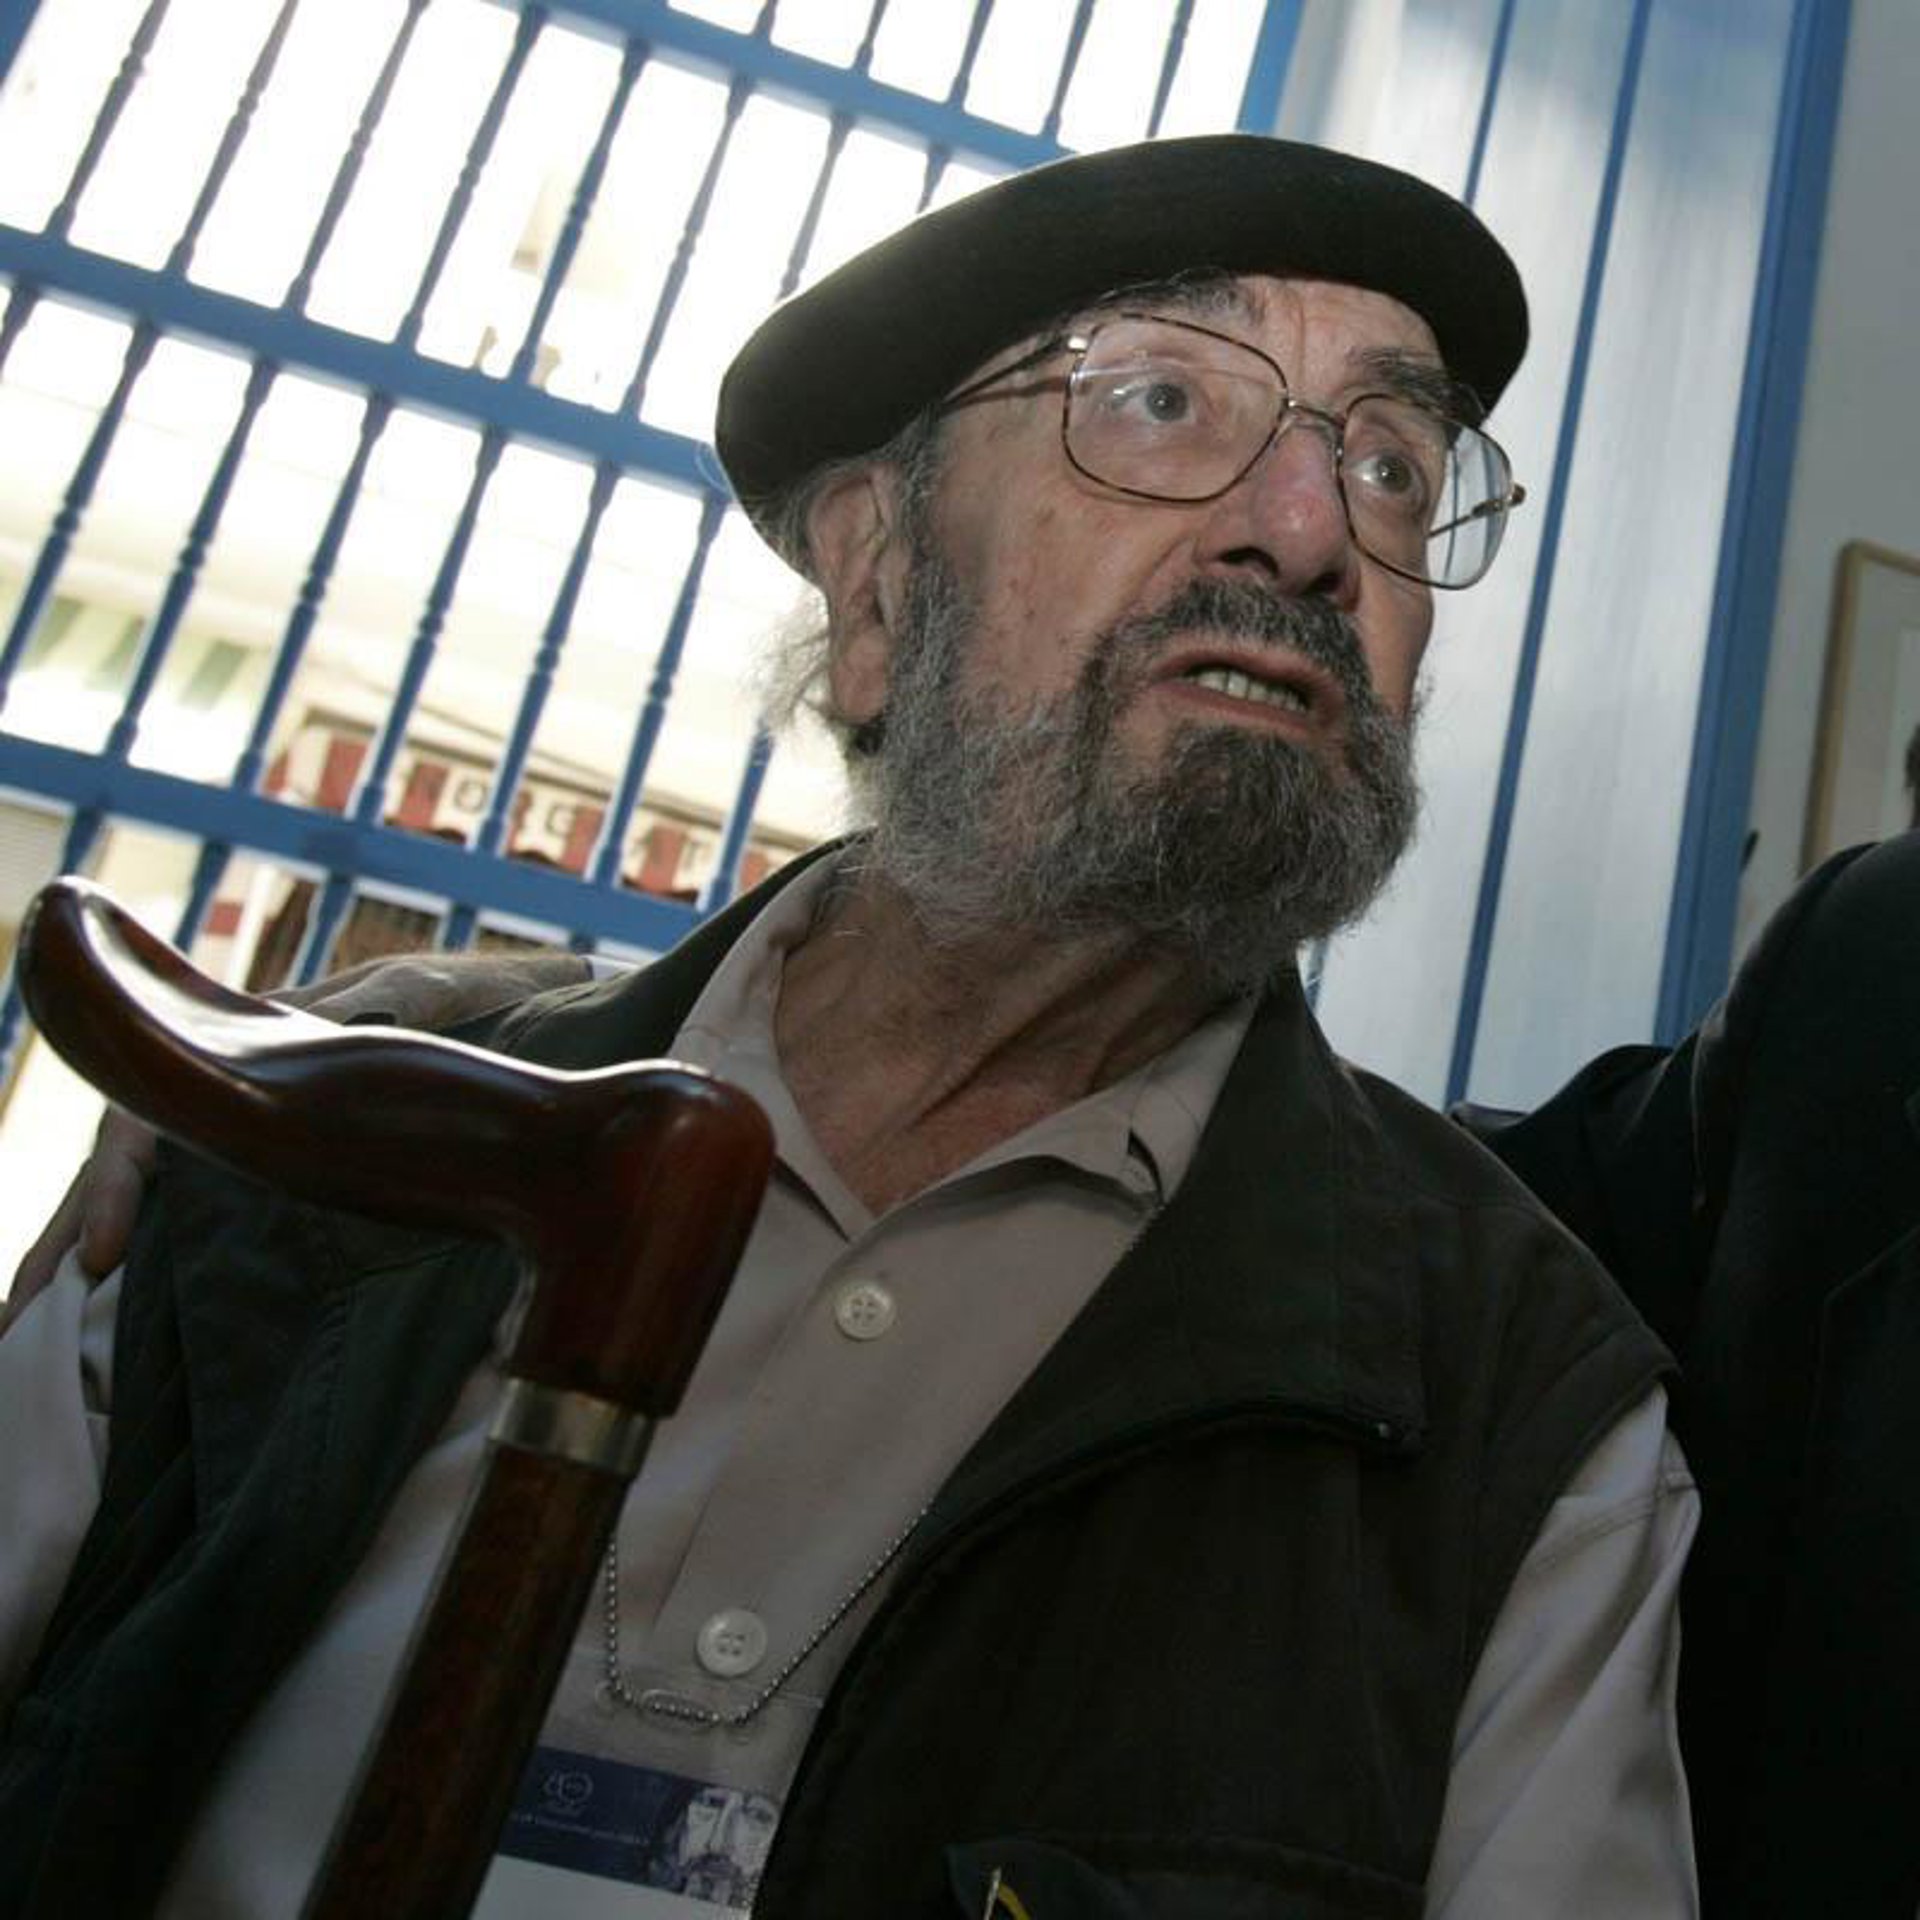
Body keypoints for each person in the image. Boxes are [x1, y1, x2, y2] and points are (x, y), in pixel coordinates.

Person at [0, 135, 1696, 1919]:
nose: (1308, 529)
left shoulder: (1531, 1436)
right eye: (1161, 400)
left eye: (1391, 463)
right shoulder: (305, 1162)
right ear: (878, 584)